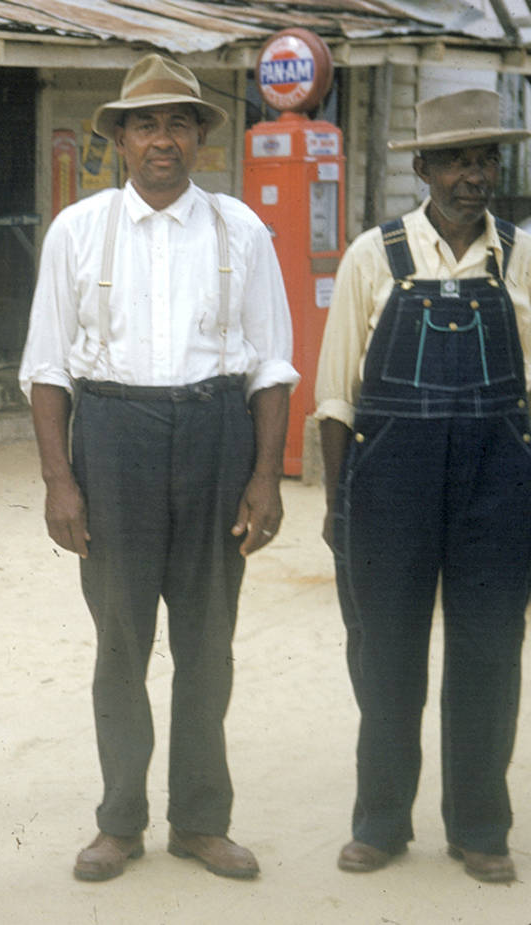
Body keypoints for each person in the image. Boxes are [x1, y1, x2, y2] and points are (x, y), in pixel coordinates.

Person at [18, 53, 297, 883]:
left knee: (208, 644)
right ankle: (121, 820)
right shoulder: (78, 229)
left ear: (202, 139)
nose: (163, 139)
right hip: (113, 440)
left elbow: (271, 366)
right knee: (121, 644)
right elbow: (47, 368)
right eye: (146, 124)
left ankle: (202, 820)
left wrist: (265, 476)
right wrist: (60, 480)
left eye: (179, 122)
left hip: (215, 437)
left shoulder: (240, 230)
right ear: (121, 140)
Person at [315, 89, 531, 884]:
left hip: (497, 478)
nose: (475, 175)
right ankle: (379, 821)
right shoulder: (374, 255)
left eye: (486, 159)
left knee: (488, 650)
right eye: (458, 160)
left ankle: (479, 826)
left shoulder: (520, 254)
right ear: (424, 167)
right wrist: (342, 507)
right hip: (390, 479)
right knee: (387, 652)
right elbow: (336, 394)